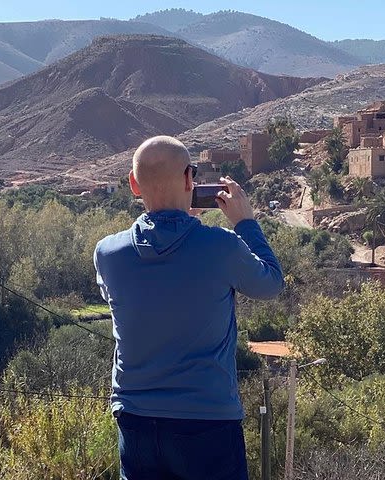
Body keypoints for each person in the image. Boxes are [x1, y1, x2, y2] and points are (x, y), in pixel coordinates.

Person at [94, 136, 284, 480]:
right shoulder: (221, 246)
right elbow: (271, 283)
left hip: (135, 422)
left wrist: (178, 223)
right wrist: (245, 223)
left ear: (134, 184)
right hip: (207, 422)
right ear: (188, 180)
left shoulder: (107, 253)